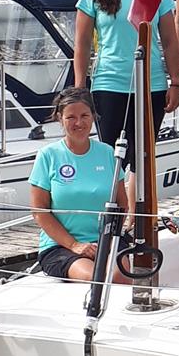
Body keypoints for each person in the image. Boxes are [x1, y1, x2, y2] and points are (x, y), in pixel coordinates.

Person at [74, 0, 179, 217]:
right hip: (109, 83)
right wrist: (79, 87)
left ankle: (137, 217)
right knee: (112, 155)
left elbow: (171, 41)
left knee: (142, 156)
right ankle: (117, 214)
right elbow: (82, 44)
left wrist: (176, 82)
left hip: (151, 84)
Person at [29, 88, 129, 283]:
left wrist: (107, 240)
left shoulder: (108, 153)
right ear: (60, 118)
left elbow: (122, 204)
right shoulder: (47, 155)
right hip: (61, 246)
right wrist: (74, 245)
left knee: (119, 277)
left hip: (106, 241)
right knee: (96, 278)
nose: (78, 123)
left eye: (84, 115)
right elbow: (39, 211)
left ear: (93, 116)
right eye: (71, 117)